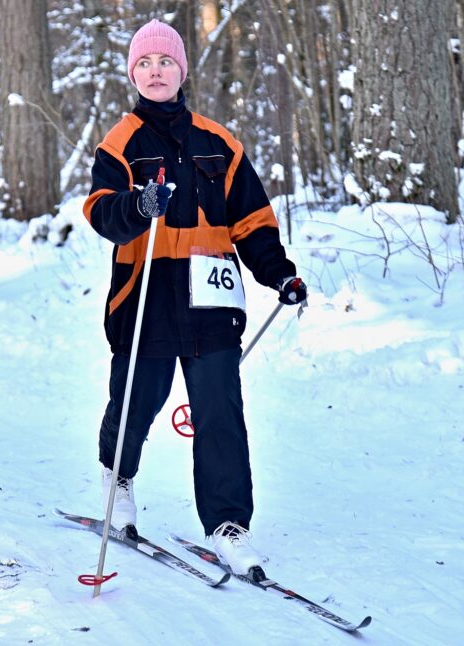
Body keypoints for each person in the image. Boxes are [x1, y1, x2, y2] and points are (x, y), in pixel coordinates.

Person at [82, 18, 307, 576]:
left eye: (165, 62)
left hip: (211, 299)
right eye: (144, 63)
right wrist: (139, 206)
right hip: (147, 296)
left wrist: (279, 274)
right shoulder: (120, 142)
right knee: (136, 400)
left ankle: (228, 524)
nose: (155, 72)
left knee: (219, 410)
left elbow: (251, 222)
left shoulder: (219, 143)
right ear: (133, 74)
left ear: (181, 71)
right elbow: (101, 212)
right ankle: (118, 476)